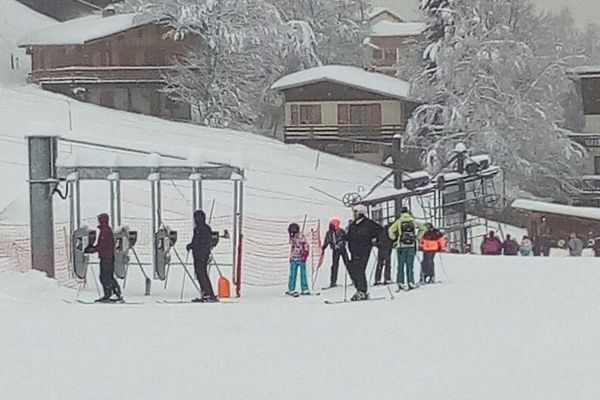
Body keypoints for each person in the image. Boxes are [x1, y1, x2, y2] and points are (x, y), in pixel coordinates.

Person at [347, 205, 383, 301]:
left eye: (355, 212)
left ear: (360, 213)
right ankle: (359, 288)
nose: (353, 214)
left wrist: (374, 239)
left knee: (359, 269)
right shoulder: (353, 225)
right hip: (354, 250)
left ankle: (362, 291)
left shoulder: (368, 223)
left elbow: (380, 230)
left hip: (364, 249)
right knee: (353, 268)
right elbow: (349, 236)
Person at [86, 213, 122, 303]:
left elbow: (102, 245)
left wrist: (92, 249)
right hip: (108, 256)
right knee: (108, 276)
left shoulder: (105, 231)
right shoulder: (106, 230)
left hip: (106, 257)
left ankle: (110, 294)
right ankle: (114, 293)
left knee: (105, 276)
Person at [388, 207, 425, 291]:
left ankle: (400, 282)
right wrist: (417, 237)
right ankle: (411, 282)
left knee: (400, 265)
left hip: (401, 245)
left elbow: (391, 230)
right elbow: (423, 228)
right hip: (411, 245)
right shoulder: (412, 221)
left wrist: (394, 238)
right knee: (410, 265)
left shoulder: (399, 221)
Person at [186, 210, 218, 302]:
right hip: (200, 254)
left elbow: (199, 242)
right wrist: (191, 245)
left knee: (201, 274)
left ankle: (208, 293)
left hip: (201, 254)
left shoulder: (201, 229)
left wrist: (192, 245)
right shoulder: (204, 228)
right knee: (201, 274)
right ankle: (206, 293)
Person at [321, 218, 349, 288]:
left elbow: (347, 238)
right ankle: (333, 281)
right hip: (335, 250)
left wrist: (345, 239)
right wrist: (324, 247)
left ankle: (355, 280)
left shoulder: (341, 231)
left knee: (348, 263)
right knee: (335, 265)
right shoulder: (329, 233)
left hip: (342, 249)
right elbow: (327, 240)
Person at [287, 223, 310, 296]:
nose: (291, 234)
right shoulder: (292, 237)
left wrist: (305, 253)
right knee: (292, 274)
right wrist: (291, 257)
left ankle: (304, 288)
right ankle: (291, 288)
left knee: (303, 274)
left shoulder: (302, 237)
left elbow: (306, 245)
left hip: (301, 258)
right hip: (294, 258)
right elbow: (292, 247)